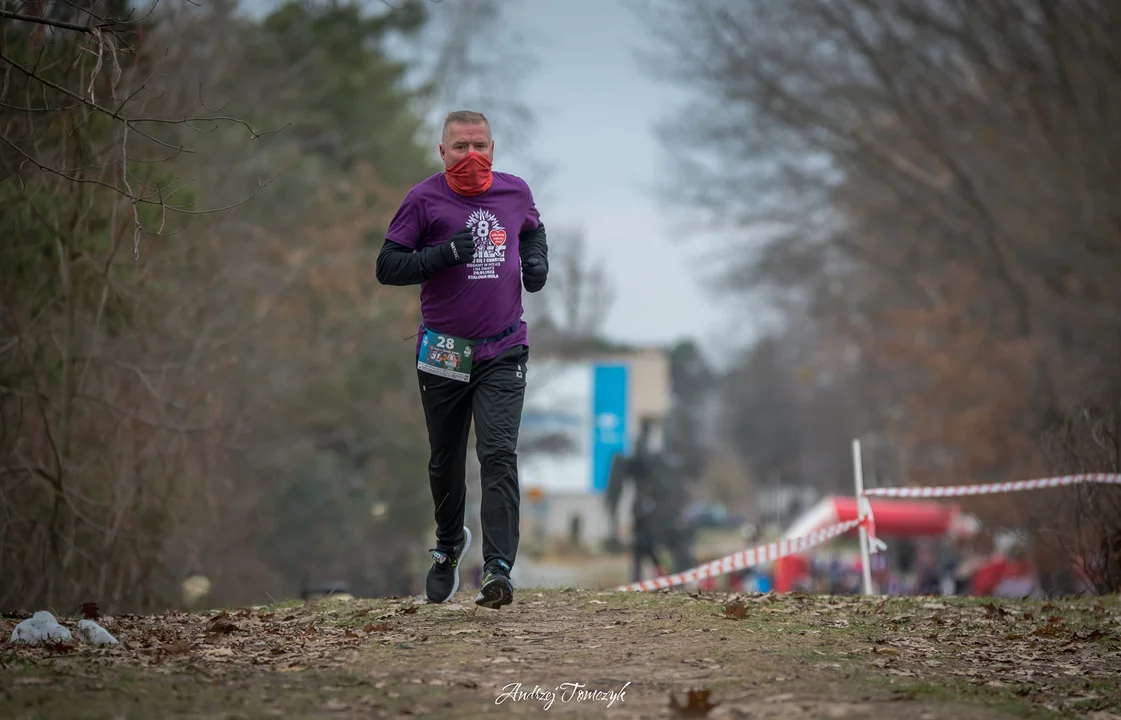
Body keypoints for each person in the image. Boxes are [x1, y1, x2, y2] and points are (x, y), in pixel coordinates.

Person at [375, 110, 549, 609]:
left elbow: (532, 231)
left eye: (481, 146)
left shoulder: (515, 192)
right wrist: (441, 255)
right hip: (445, 352)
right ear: (442, 151)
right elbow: (387, 266)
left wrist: (536, 262)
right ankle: (449, 546)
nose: (472, 157)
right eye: (460, 148)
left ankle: (498, 568)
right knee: (445, 462)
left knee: (497, 455)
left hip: (503, 347)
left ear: (493, 148)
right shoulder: (423, 200)